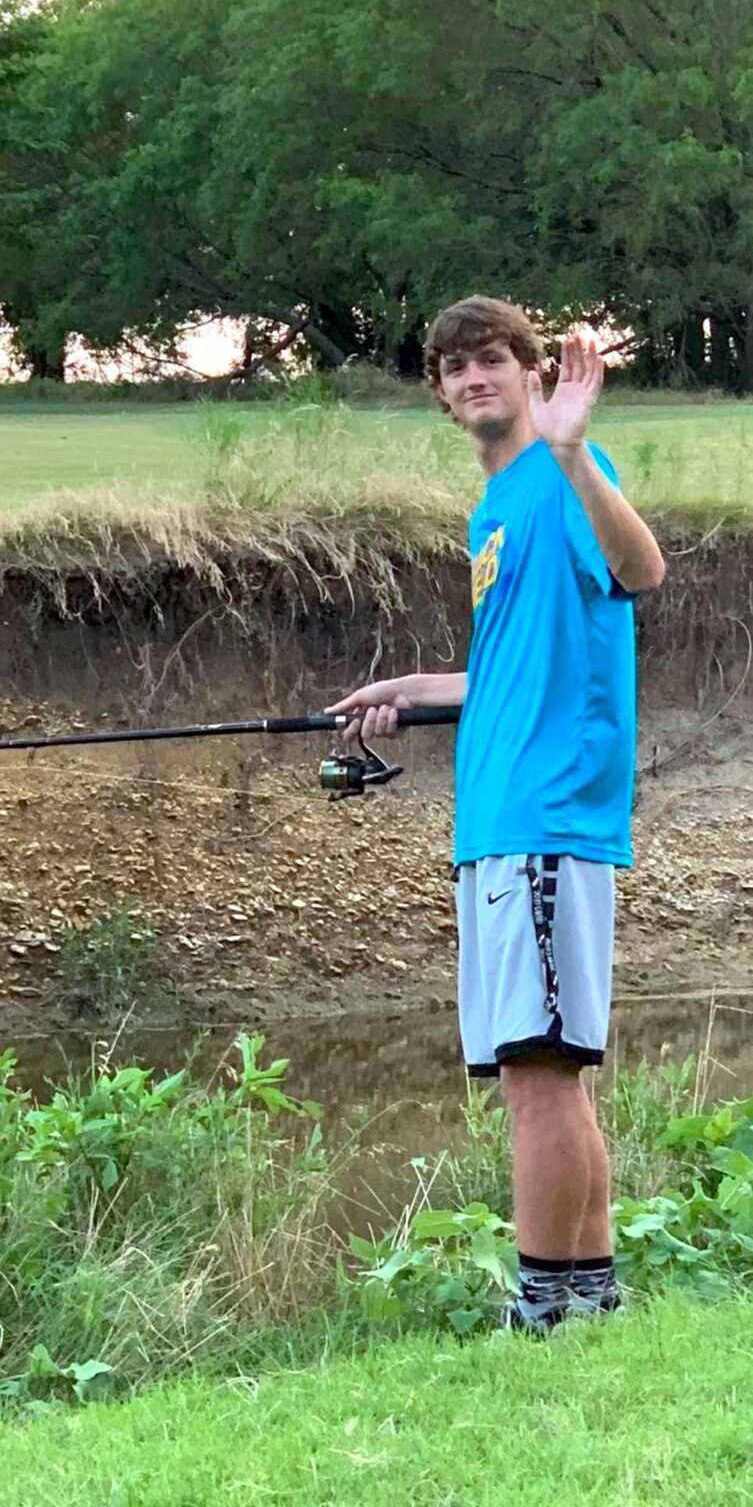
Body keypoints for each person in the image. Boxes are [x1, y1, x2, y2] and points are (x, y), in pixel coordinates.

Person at [328, 295, 665, 1332]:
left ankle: (543, 1303)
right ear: (439, 391)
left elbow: (640, 571)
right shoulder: (495, 507)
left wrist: (573, 454)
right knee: (545, 1070)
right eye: (455, 366)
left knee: (537, 1069)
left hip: (542, 818)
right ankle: (588, 1294)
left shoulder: (562, 475)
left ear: (530, 374)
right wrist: (423, 686)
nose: (476, 377)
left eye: (494, 360)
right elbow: (520, 663)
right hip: (500, 821)